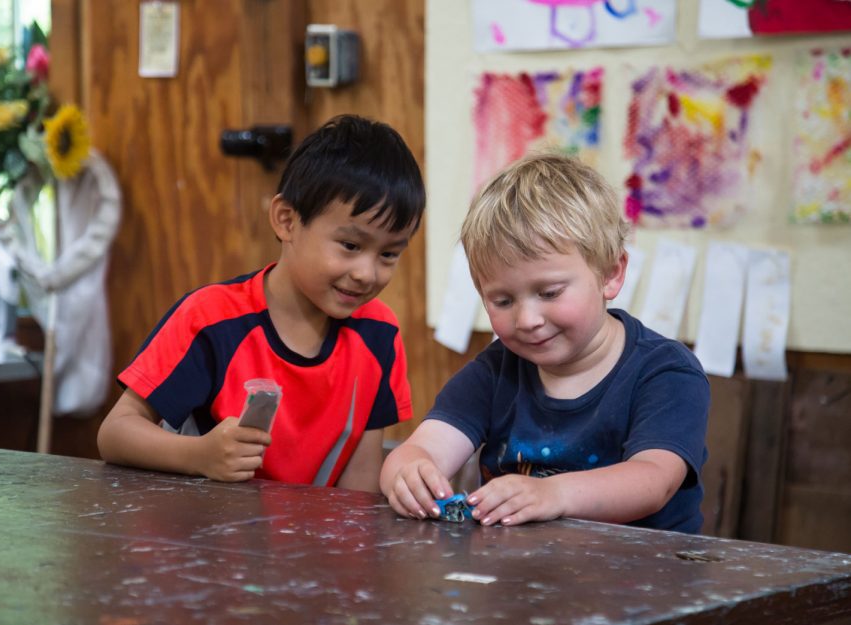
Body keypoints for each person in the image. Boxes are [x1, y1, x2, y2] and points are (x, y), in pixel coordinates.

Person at [380, 152, 709, 532]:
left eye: (549, 293)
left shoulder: (666, 372)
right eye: (502, 301)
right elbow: (421, 449)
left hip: (644, 581)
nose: (527, 320)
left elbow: (653, 480)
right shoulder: (494, 372)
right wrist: (407, 473)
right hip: (516, 580)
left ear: (611, 274)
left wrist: (554, 495)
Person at [97, 114, 425, 492]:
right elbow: (114, 433)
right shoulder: (210, 319)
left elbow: (358, 489)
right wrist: (199, 455)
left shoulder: (379, 333)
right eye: (350, 246)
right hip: (207, 538)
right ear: (286, 220)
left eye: (388, 255)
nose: (367, 273)